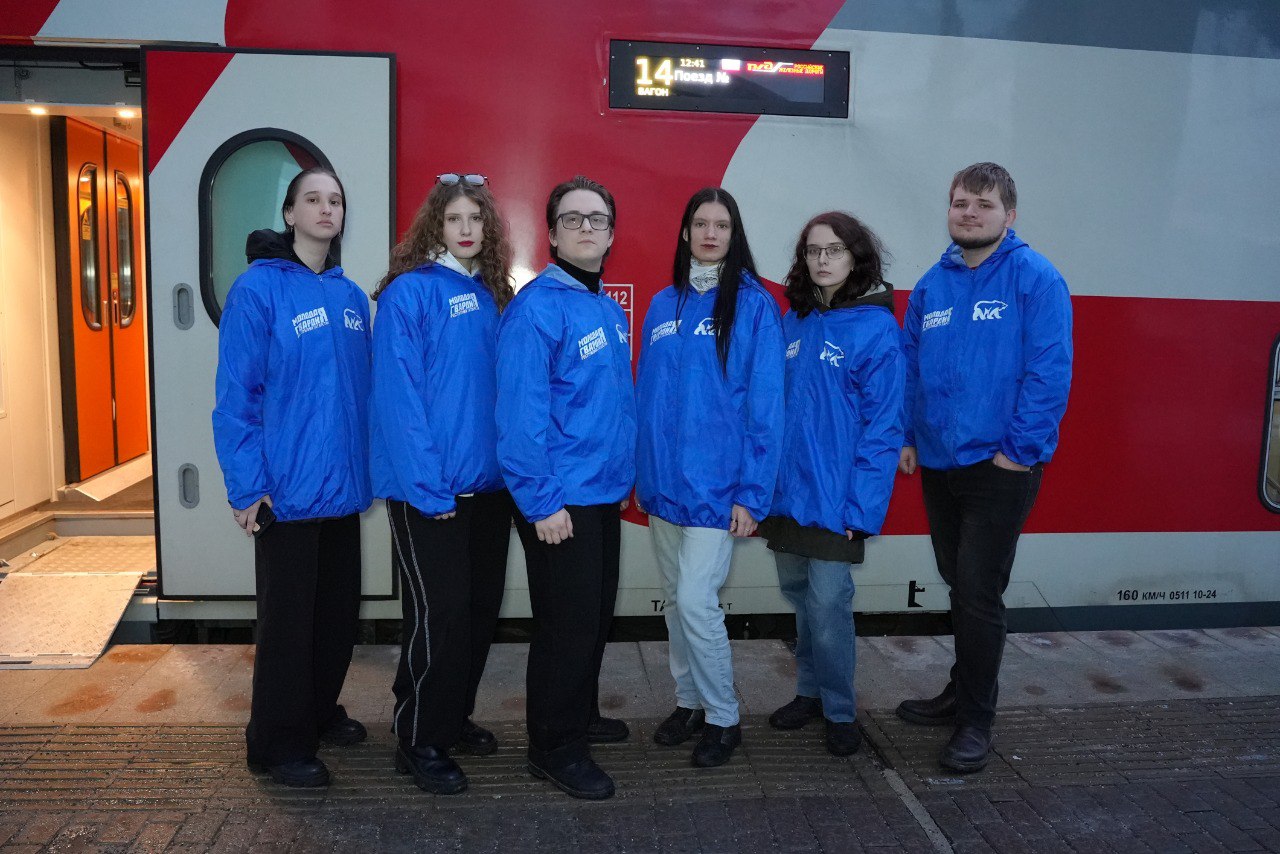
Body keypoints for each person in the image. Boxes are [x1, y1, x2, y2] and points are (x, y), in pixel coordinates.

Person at [896, 162, 1072, 772]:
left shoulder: (1035, 278)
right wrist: (908, 436)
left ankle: (976, 720)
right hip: (939, 462)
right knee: (959, 580)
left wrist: (1016, 454)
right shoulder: (932, 285)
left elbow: (1049, 373)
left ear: (1009, 215)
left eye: (984, 204)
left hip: (1000, 466)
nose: (969, 213)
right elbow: (911, 366)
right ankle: (961, 689)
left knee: (977, 589)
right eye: (960, 203)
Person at [212, 166, 371, 788]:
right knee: (288, 626)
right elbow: (237, 397)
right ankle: (275, 744)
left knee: (335, 617)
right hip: (286, 493)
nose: (326, 209)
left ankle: (316, 713)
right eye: (313, 199)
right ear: (289, 213)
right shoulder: (258, 290)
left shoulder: (350, 296)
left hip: (342, 490)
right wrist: (247, 486)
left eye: (336, 200)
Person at [369, 173, 516, 795]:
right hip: (429, 492)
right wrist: (428, 489)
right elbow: (399, 400)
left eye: (475, 219)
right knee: (441, 614)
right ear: (435, 225)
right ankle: (419, 739)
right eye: (454, 218)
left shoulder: (492, 294)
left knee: (477, 614)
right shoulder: (410, 293)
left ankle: (451, 719)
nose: (466, 228)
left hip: (489, 491)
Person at [495, 175, 637, 800]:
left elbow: (610, 405)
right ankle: (553, 748)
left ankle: (579, 713)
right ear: (551, 235)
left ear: (611, 234)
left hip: (601, 494)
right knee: (566, 626)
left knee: (594, 616)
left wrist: (622, 478)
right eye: (572, 219)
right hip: (560, 499)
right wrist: (542, 501)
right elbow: (519, 417)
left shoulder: (605, 307)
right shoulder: (536, 309)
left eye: (596, 219)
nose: (586, 228)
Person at [635, 187, 784, 767]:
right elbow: (647, 397)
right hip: (664, 487)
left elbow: (766, 406)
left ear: (734, 234)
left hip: (717, 490)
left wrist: (752, 493)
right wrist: (641, 473)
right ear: (685, 232)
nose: (711, 234)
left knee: (697, 602)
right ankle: (688, 702)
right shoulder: (661, 304)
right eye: (701, 223)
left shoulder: (753, 306)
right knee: (676, 601)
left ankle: (724, 717)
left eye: (722, 225)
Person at [759, 212, 905, 757]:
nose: (822, 260)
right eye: (813, 250)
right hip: (787, 498)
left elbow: (883, 427)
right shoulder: (793, 321)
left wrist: (861, 511)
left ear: (856, 257)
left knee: (827, 607)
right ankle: (809, 693)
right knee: (801, 601)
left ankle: (841, 711)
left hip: (837, 502)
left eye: (835, 250)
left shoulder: (876, 329)